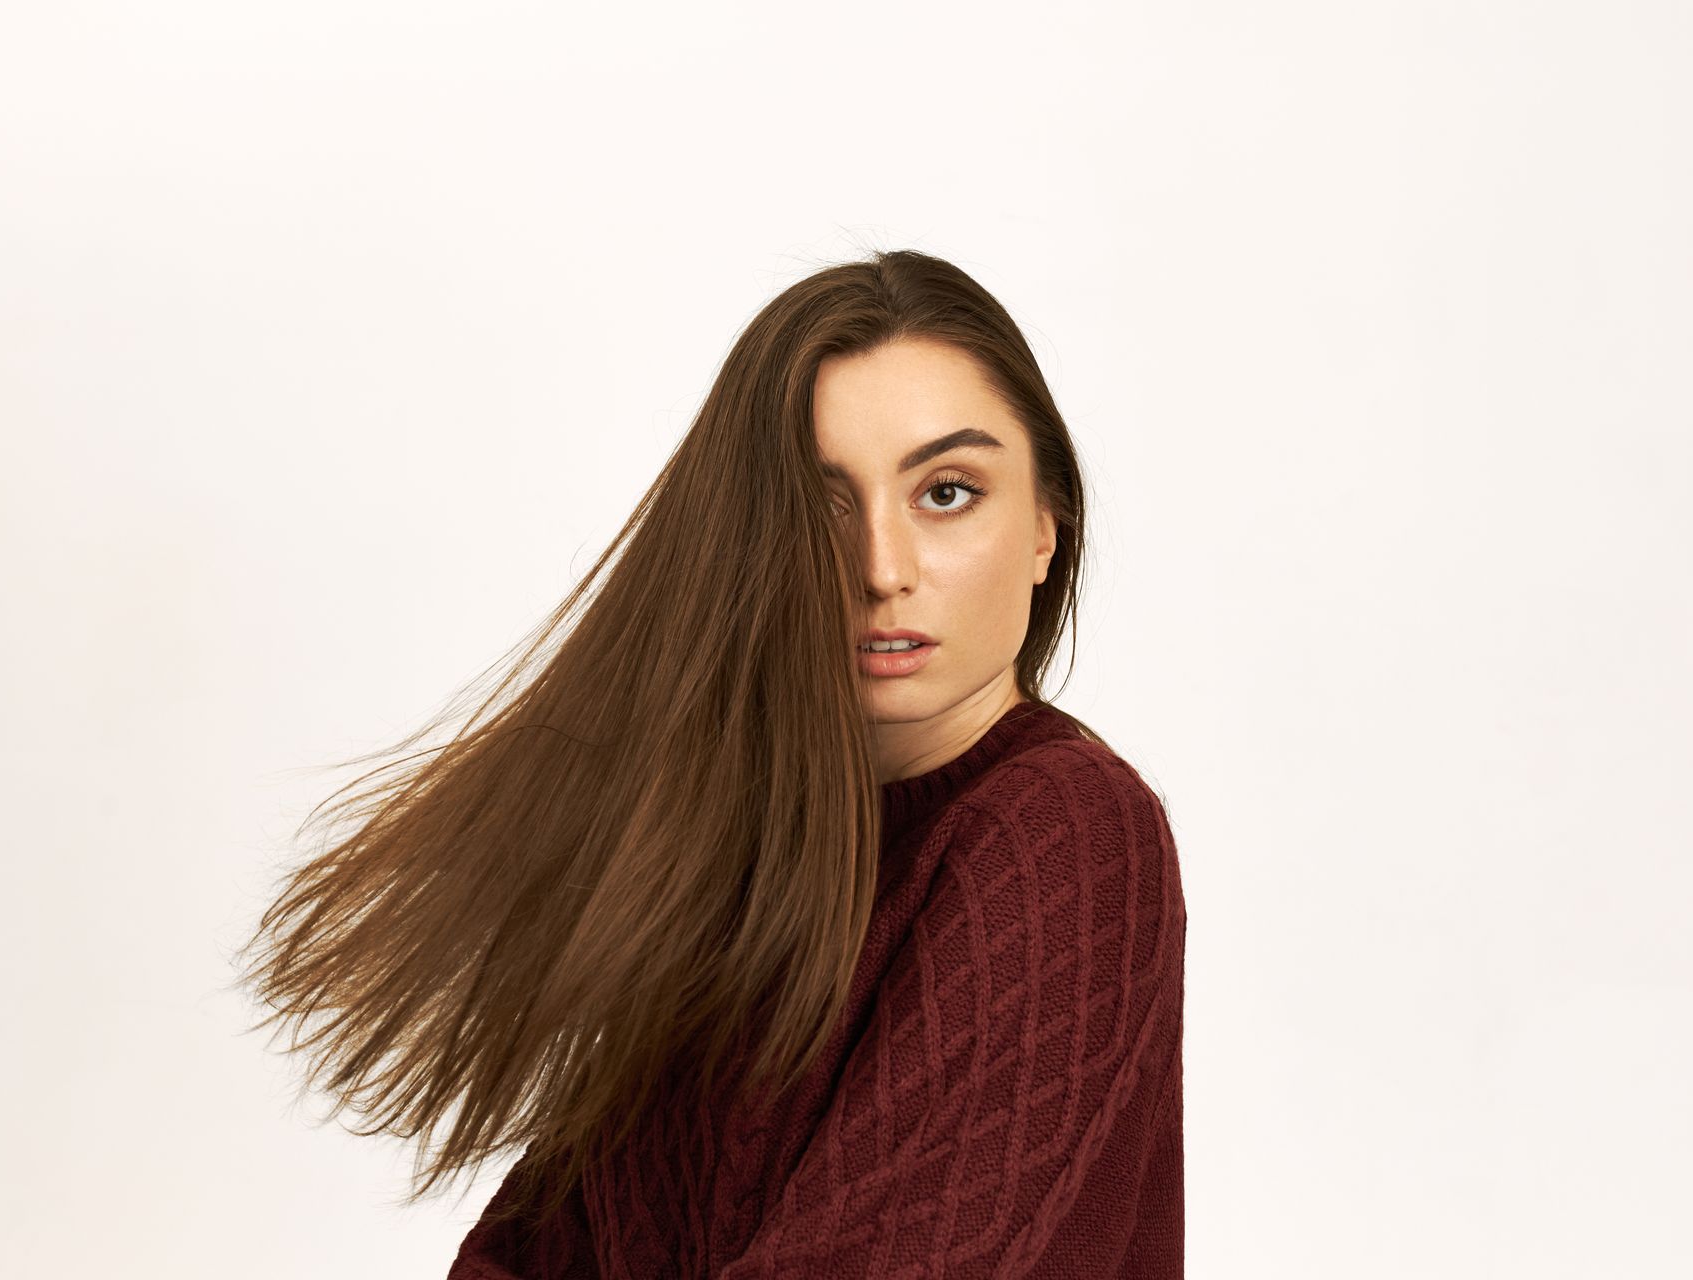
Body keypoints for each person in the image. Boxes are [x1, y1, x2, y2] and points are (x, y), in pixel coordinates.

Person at [233, 249, 1187, 1278]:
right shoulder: (741, 858)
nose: (882, 568)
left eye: (947, 492)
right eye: (819, 507)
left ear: (1046, 527)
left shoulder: (1067, 831)